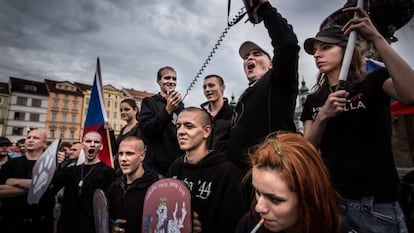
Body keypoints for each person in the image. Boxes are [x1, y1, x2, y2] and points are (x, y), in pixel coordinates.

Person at [300, 6, 414, 233]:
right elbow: (307, 150)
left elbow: (410, 94)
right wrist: (323, 116)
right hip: (332, 199)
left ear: (346, 50)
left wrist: (377, 37)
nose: (317, 55)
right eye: (315, 51)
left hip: (375, 204)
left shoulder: (373, 82)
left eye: (326, 47)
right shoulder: (314, 100)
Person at [228, 0, 299, 173]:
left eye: (256, 54)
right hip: (241, 179)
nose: (249, 58)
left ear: (272, 64)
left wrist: (264, 8)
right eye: (246, 57)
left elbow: (287, 45)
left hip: (270, 172)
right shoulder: (246, 95)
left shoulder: (277, 81)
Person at [235, 132, 343, 233]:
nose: (258, 208)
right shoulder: (249, 224)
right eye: (257, 192)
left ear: (309, 198)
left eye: (275, 199)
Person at [167, 107, 246, 233]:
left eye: (189, 126)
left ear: (206, 131)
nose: (180, 132)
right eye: (178, 126)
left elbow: (233, 224)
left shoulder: (227, 173)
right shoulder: (175, 167)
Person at [51, 131, 114, 233]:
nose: (92, 144)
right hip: (67, 227)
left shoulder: (108, 172)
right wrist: (56, 163)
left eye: (96, 142)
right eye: (88, 141)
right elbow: (50, 184)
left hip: (91, 228)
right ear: (82, 144)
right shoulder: (70, 171)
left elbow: (108, 204)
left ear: (101, 146)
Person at [0, 129, 53, 233]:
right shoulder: (11, 164)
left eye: (36, 138)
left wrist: (13, 181)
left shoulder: (50, 166)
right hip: (11, 222)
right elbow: (1, 191)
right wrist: (39, 186)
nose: (30, 140)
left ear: (45, 144)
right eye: (28, 137)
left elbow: (50, 188)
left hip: (40, 224)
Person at [138, 66, 184, 176]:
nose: (171, 81)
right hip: (156, 168)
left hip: (178, 165)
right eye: (167, 78)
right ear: (159, 81)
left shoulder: (180, 105)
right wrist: (167, 110)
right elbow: (147, 130)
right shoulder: (149, 102)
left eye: (174, 79)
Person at [106, 136, 159, 233]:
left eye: (129, 153)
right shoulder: (114, 186)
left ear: (142, 156)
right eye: (120, 154)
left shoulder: (156, 188)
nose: (123, 159)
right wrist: (111, 227)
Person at [200, 74, 234, 152]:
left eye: (211, 85)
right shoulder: (200, 115)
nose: (207, 89)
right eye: (204, 87)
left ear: (222, 88)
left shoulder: (234, 113)